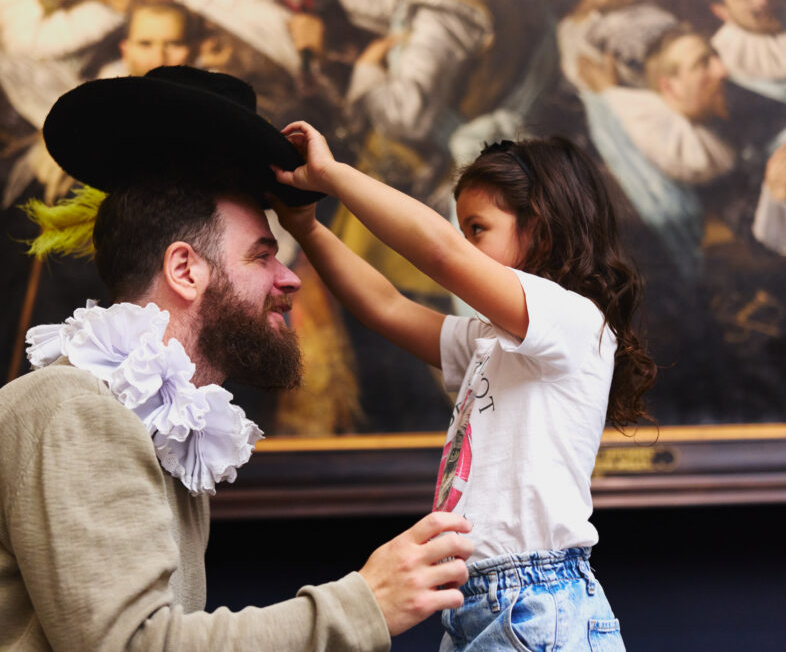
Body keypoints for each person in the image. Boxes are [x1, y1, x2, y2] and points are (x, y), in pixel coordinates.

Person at [0, 66, 473, 650]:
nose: (289, 278)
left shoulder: (149, 431)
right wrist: (365, 603)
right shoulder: (76, 410)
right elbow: (133, 645)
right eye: (262, 255)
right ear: (184, 270)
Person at [271, 121, 657, 651]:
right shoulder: (489, 342)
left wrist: (333, 176)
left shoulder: (574, 321)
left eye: (477, 229)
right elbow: (386, 306)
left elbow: (441, 254)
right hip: (480, 601)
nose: (465, 244)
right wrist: (309, 230)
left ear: (541, 231)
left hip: (536, 603)